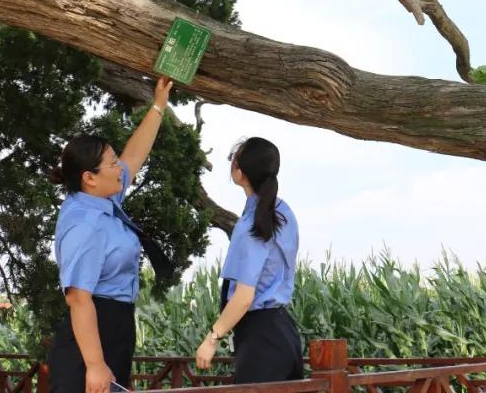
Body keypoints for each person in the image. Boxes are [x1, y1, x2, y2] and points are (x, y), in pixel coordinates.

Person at [47, 77, 173, 393]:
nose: (120, 168)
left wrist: (158, 104)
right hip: (90, 336)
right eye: (112, 164)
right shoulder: (83, 223)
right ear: (89, 177)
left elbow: (134, 157)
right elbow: (78, 299)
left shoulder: (104, 198)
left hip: (115, 327)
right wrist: (94, 364)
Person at [194, 137, 303, 383]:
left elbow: (244, 297)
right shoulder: (284, 214)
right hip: (284, 332)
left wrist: (212, 338)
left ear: (240, 171)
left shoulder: (252, 224)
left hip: (260, 338)